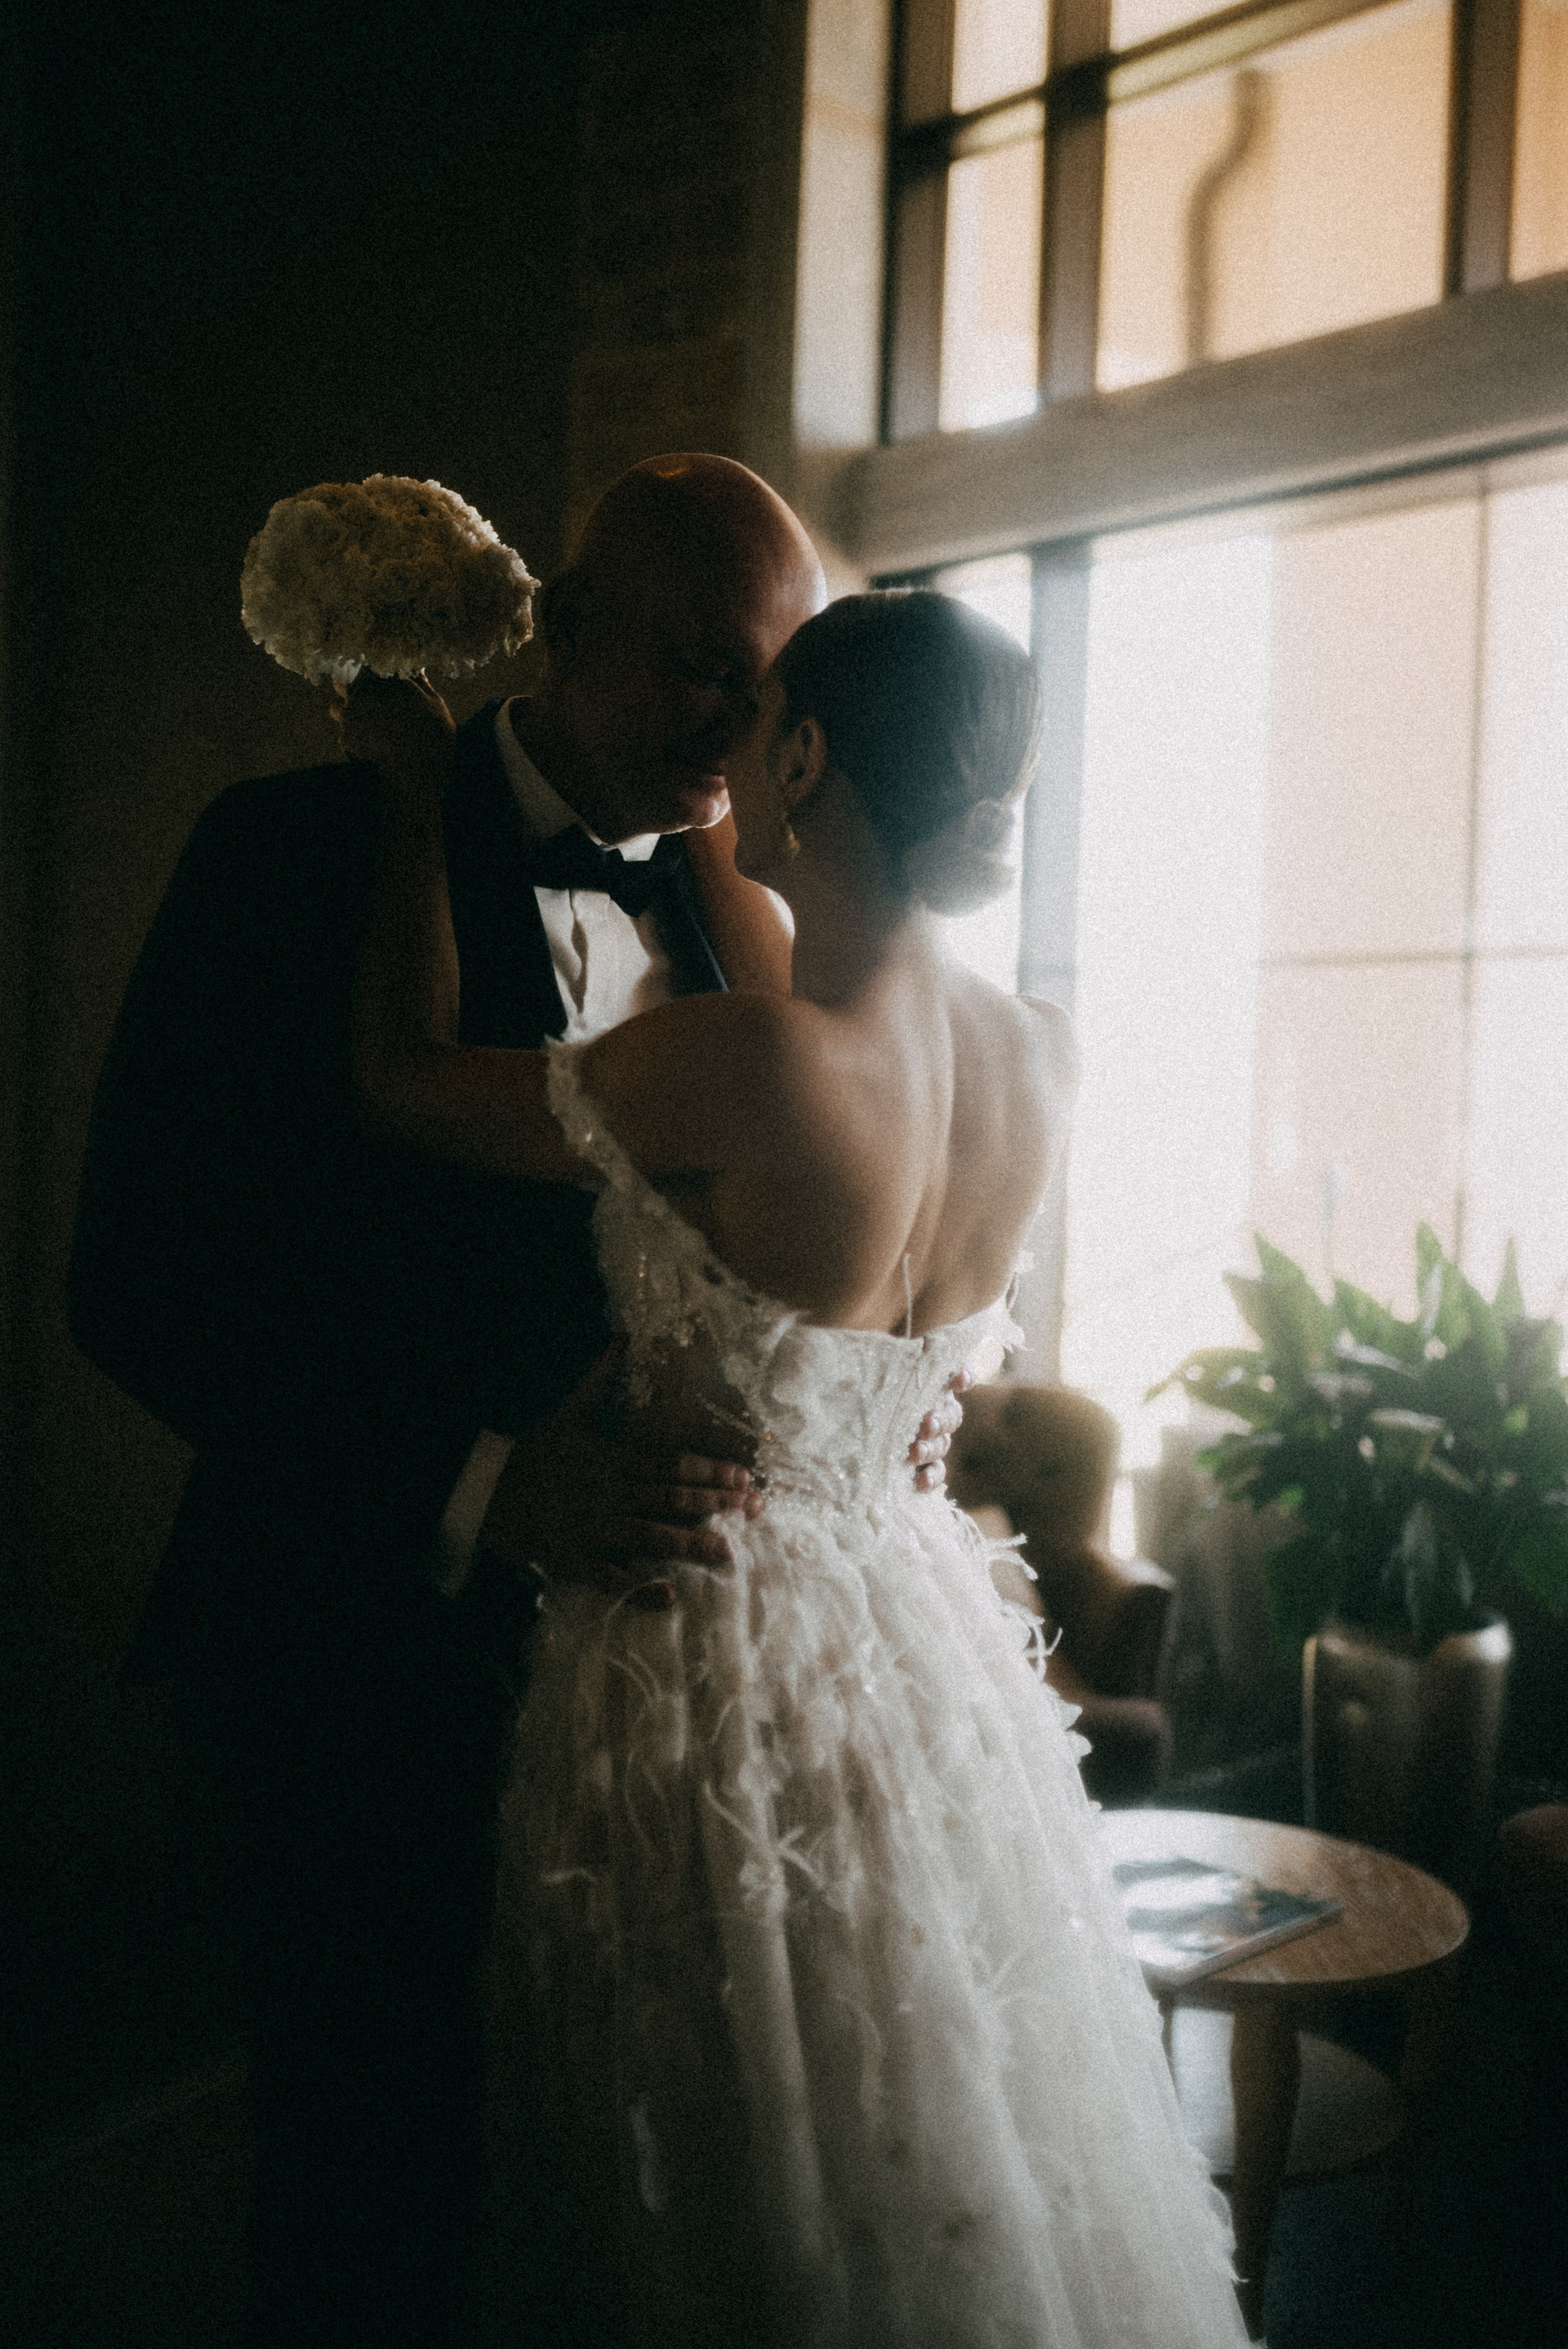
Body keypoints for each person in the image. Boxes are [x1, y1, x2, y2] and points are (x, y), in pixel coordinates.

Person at [68, 454, 964, 2349]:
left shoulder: (755, 919)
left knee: (615, 2208)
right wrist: (479, 1478)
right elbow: (137, 1278)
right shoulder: (298, 850)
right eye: (699, 666)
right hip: (358, 1659)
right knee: (372, 2197)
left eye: (771, 685)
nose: (737, 730)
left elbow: (804, 1242)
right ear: (560, 628)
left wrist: (870, 1394)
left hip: (664, 1714)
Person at [345, 591, 1252, 2348]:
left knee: (729, 2139)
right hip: (918, 1636)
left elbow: (401, 1080)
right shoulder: (1041, 1052)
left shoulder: (749, 1062)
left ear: (810, 756)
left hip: (711, 1640)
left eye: (757, 721)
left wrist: (404, 792)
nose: (725, 754)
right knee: (922, 2093)